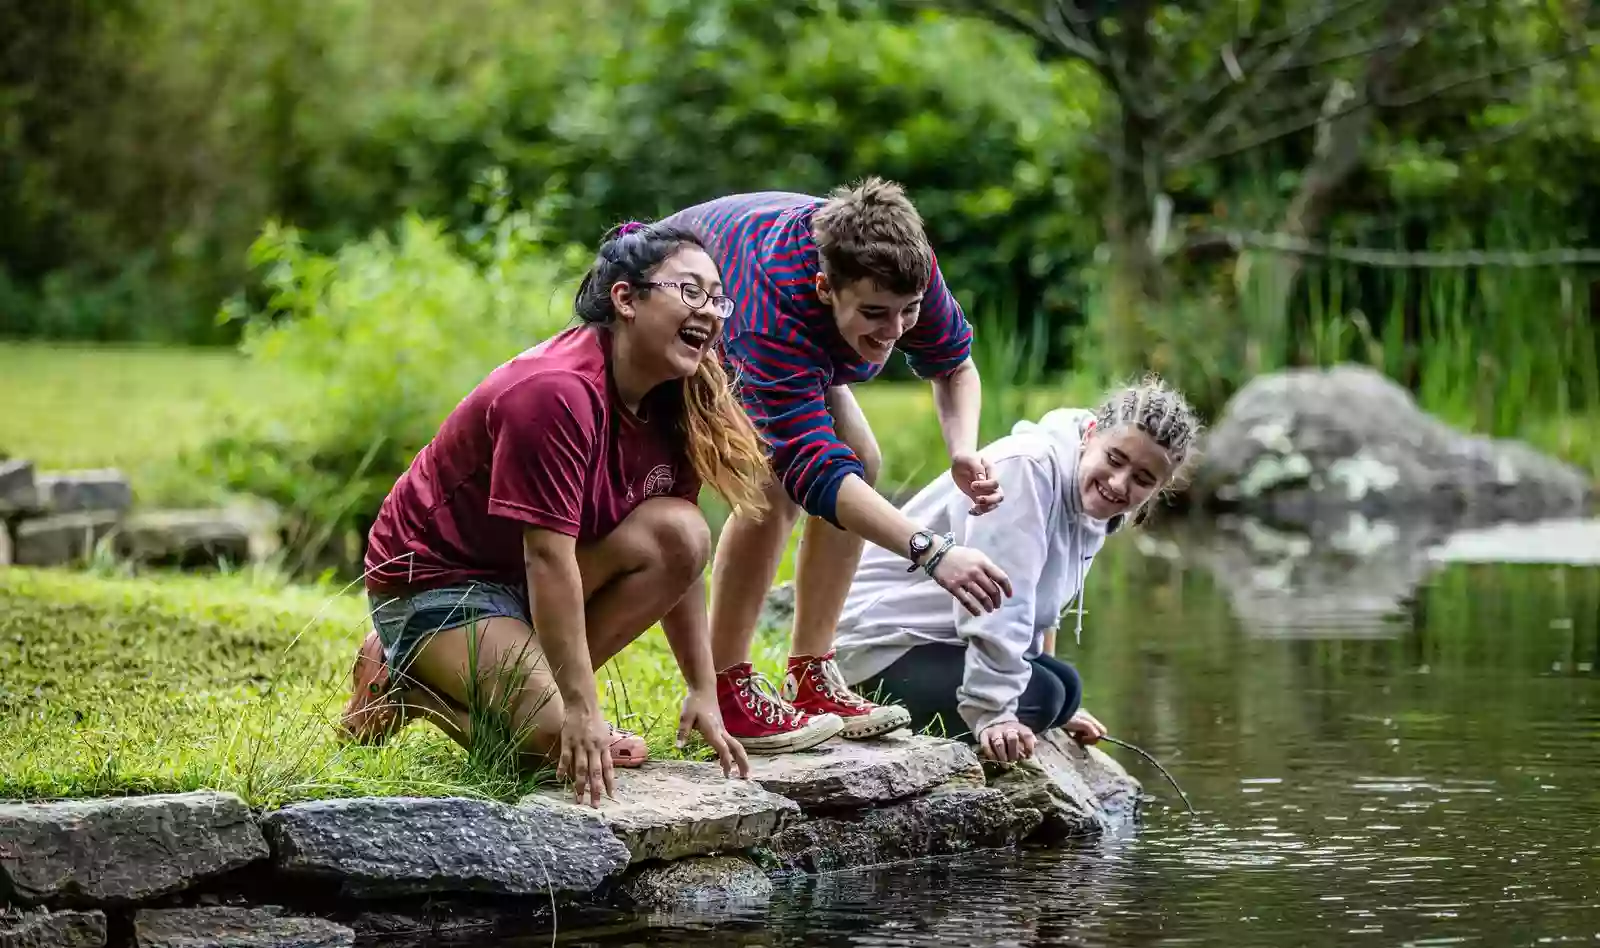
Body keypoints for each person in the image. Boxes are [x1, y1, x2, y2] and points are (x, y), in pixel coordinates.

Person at [340, 221, 785, 806]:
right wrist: (580, 709)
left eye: (716, 296)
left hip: (527, 580)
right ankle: (410, 682)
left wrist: (704, 689)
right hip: (438, 585)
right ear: (626, 299)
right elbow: (546, 557)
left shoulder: (674, 395)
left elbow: (682, 562)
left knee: (682, 530)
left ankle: (507, 696)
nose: (710, 311)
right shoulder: (553, 392)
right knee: (546, 745)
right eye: (690, 291)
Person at [659, 177, 1013, 751]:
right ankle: (725, 691)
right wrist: (933, 552)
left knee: (863, 461)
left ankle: (811, 674)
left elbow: (953, 366)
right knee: (772, 486)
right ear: (827, 288)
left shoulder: (902, 263)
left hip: (790, 328)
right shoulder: (773, 307)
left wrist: (963, 449)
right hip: (691, 314)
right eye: (875, 314)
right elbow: (814, 471)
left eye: (909, 311)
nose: (896, 332)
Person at [831, 376, 1202, 765]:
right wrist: (992, 713)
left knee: (1063, 688)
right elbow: (1001, 601)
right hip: (874, 647)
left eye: (1143, 479)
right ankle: (865, 700)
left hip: (934, 640)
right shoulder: (1026, 471)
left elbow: (1042, 602)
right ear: (1091, 433)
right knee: (1044, 696)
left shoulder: (1090, 500)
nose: (1119, 482)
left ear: (1160, 487)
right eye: (1115, 459)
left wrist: (1057, 709)